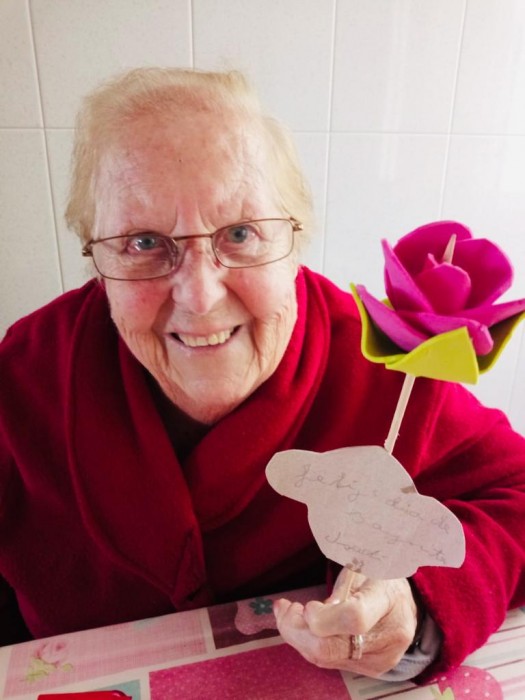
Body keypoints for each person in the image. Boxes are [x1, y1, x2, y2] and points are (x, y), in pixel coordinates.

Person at [0, 67, 524, 685]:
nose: (199, 296)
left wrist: (414, 605)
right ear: (96, 258)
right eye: (142, 242)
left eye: (240, 233)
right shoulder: (29, 369)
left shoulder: (382, 367)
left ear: (296, 241)